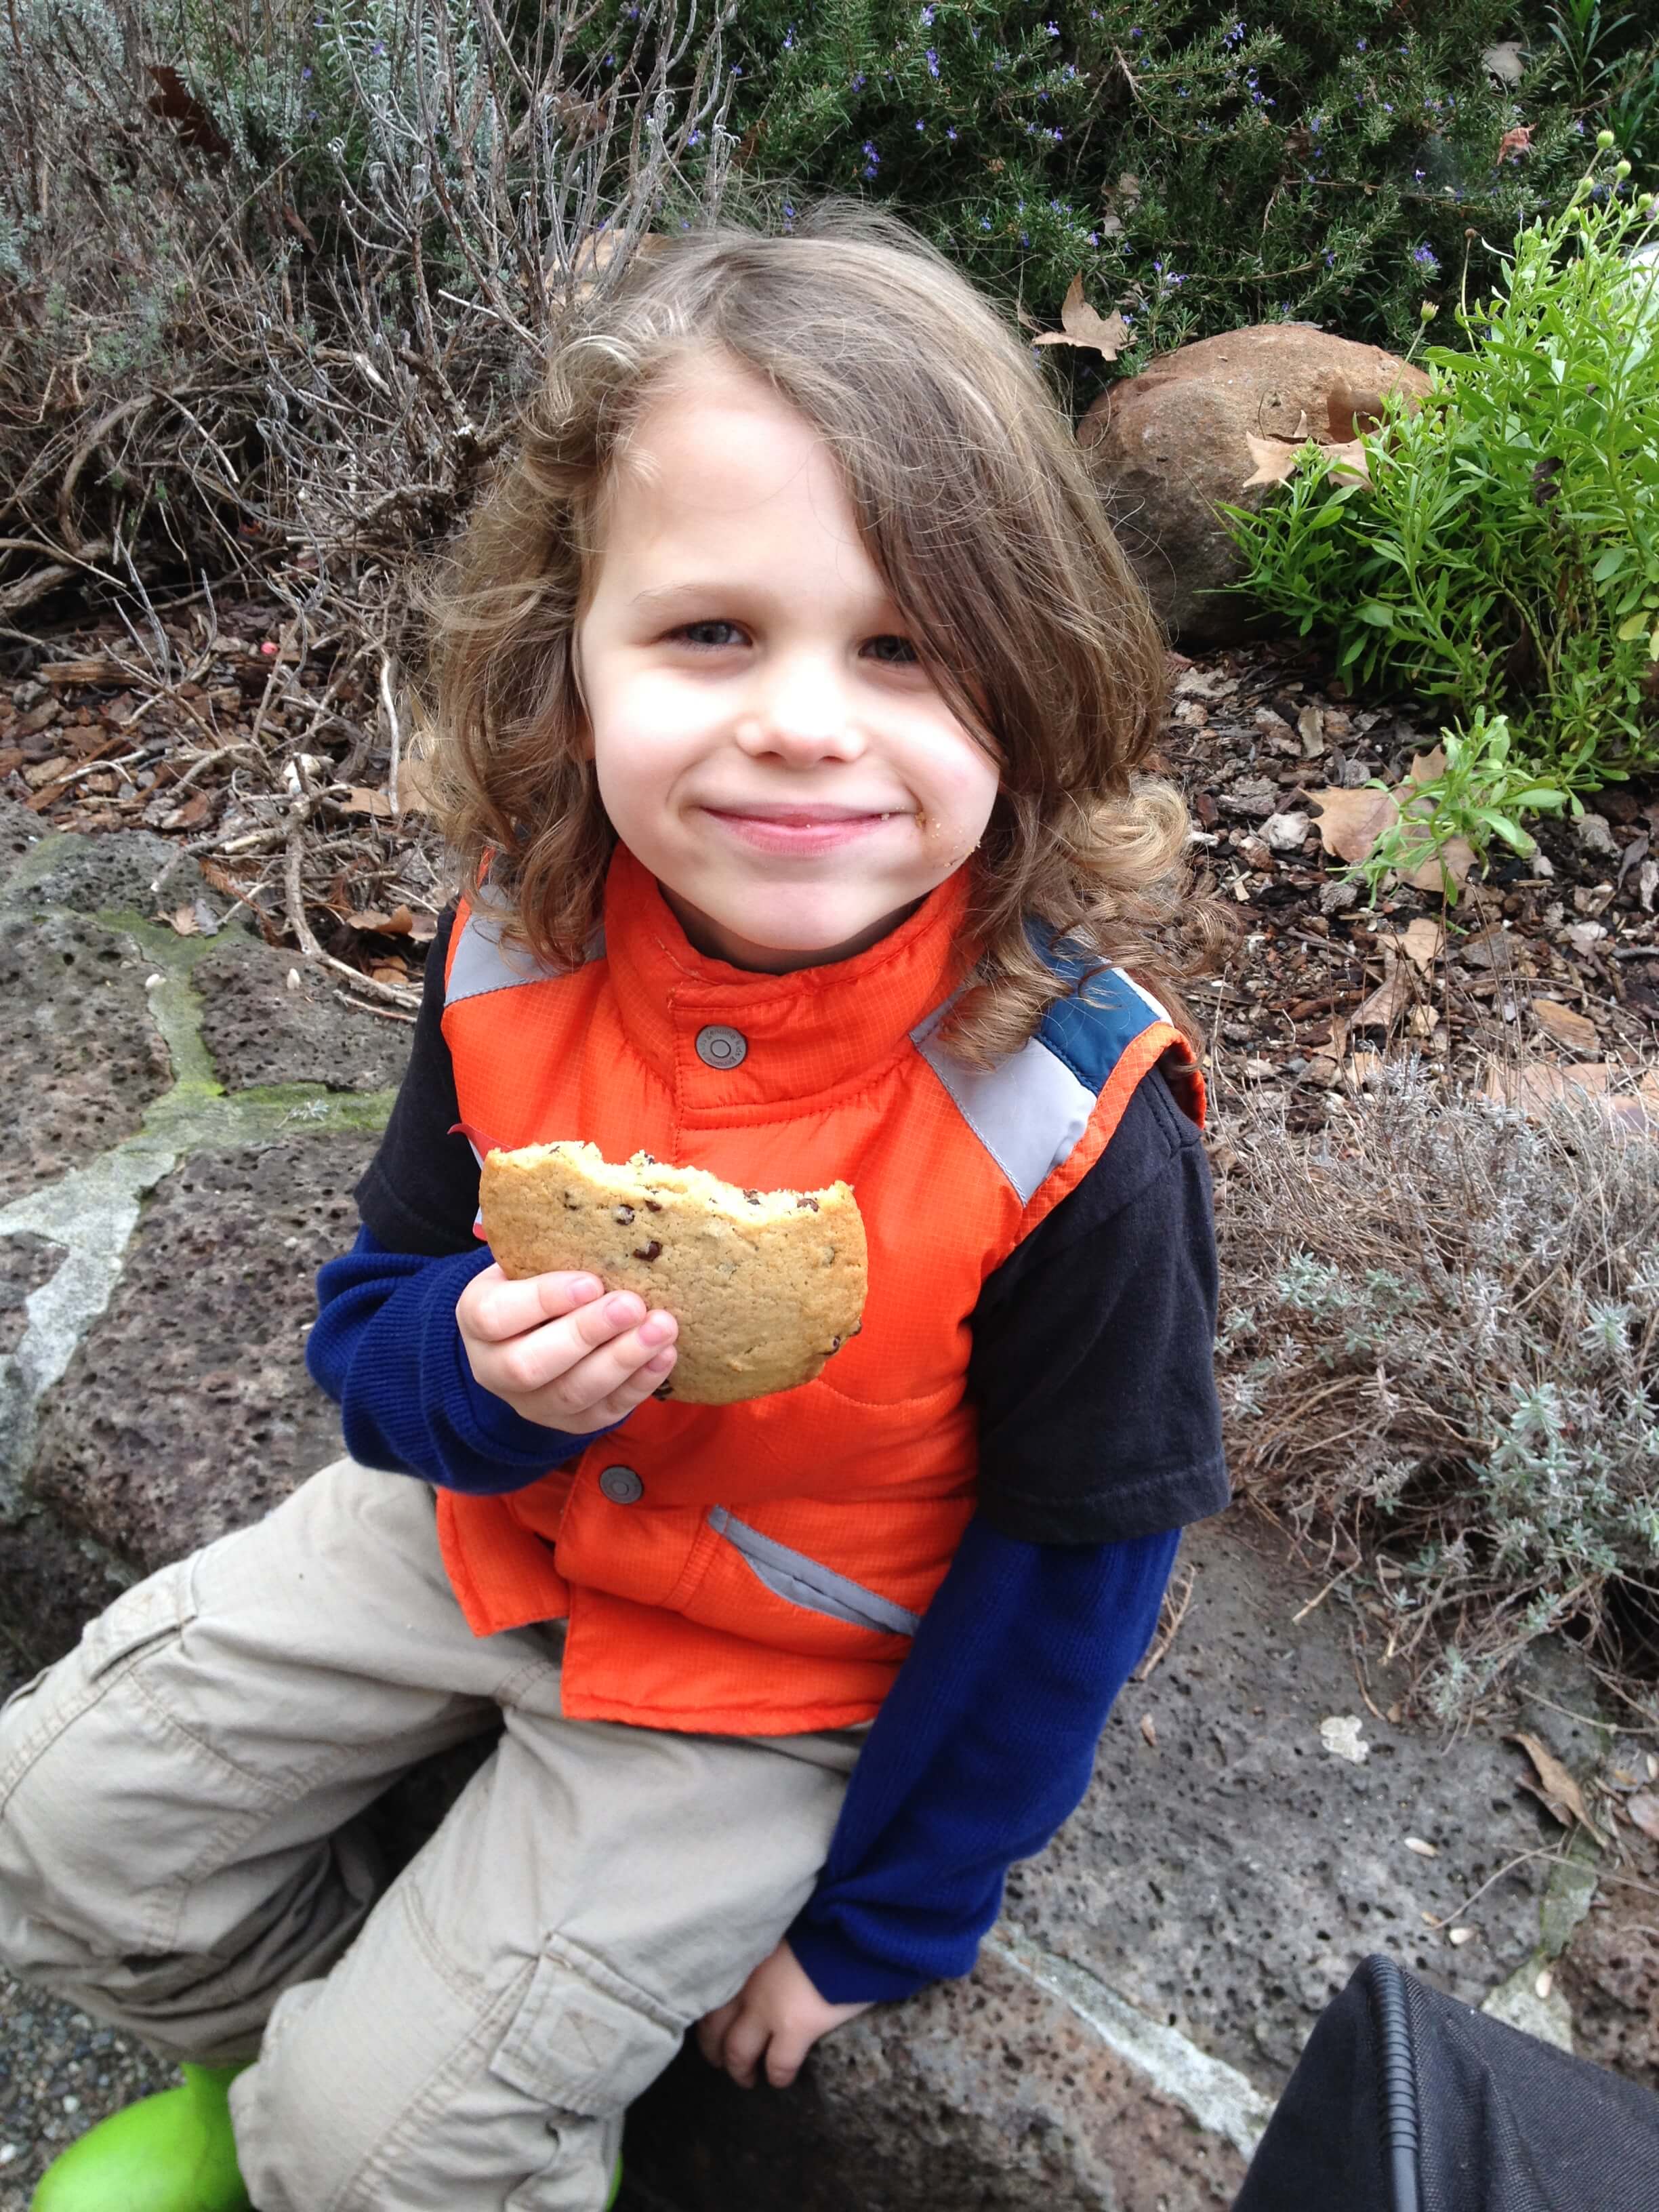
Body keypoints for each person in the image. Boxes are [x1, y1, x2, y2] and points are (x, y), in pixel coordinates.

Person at [0, 205, 1230, 2212]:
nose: (805, 721)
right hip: (475, 1532)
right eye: (711, 631)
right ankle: (337, 2095)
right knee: (56, 1833)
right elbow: (376, 1312)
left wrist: (881, 1927)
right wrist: (468, 1378)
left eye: (908, 645)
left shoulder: (1071, 1122)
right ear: (567, 653)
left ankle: (387, 2148)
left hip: (769, 1693)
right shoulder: (512, 942)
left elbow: (1072, 1571)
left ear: (1039, 672)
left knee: (382, 2156)